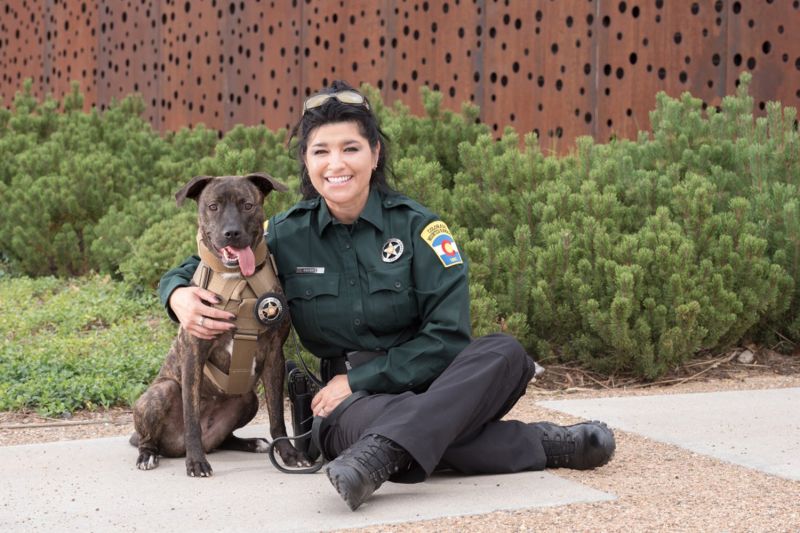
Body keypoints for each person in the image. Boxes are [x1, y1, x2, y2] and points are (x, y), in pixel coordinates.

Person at [159, 80, 615, 511]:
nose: (336, 164)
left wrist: (361, 379)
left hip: (420, 382)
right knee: (384, 422)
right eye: (321, 152)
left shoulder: (420, 228)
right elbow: (205, 259)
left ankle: (377, 456)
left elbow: (449, 338)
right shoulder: (283, 233)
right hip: (352, 407)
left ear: (375, 154)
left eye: (351, 148)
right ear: (307, 162)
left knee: (505, 352)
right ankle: (545, 442)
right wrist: (177, 294)